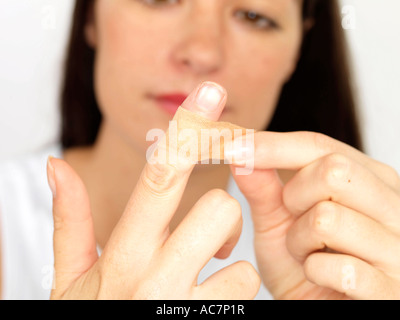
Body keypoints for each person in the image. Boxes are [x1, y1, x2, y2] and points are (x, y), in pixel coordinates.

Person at [1, 0, 399, 300]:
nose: (203, 53)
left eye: (254, 16)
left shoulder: (334, 250)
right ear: (90, 17)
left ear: (297, 51)